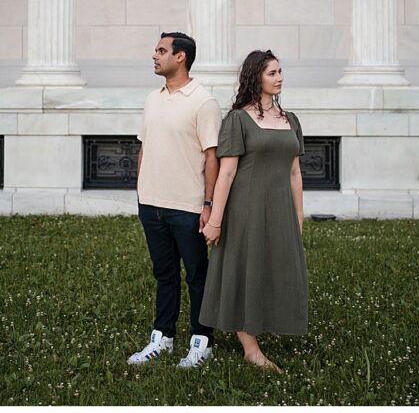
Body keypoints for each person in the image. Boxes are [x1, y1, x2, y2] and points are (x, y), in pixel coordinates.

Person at [200, 49, 308, 371]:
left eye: (280, 72)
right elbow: (226, 173)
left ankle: (262, 324)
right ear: (255, 77)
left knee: (274, 269)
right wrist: (216, 220)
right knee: (244, 270)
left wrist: (298, 219)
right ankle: (250, 348)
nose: (279, 78)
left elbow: (295, 174)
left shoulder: (291, 120)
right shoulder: (238, 119)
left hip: (280, 211)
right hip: (246, 209)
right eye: (272, 73)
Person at [128, 32, 221, 368]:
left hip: (188, 207)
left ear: (180, 57)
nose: (154, 55)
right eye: (155, 49)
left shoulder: (204, 101)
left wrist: (208, 205)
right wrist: (142, 191)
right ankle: (162, 338)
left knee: (197, 275)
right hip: (151, 204)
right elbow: (144, 145)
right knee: (164, 274)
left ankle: (202, 340)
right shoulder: (153, 99)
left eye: (161, 50)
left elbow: (213, 157)